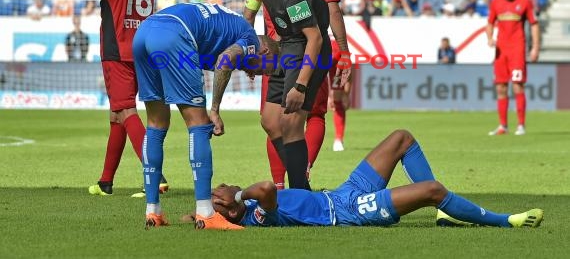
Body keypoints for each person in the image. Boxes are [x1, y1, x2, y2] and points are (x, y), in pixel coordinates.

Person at [21, 0, 181, 196]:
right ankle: (106, 181)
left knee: (127, 110)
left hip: (117, 50)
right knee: (116, 114)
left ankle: (155, 176)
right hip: (145, 48)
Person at [207, 129, 544, 229]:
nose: (224, 185)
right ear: (228, 205)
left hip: (341, 194)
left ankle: (443, 211)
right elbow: (266, 187)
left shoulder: (249, 206)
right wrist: (238, 200)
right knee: (432, 190)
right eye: (220, 189)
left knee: (402, 138)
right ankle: (504, 222)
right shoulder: (258, 213)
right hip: (349, 212)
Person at [132, 1, 277, 230]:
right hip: (175, 33)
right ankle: (206, 213)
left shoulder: (231, 27)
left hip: (144, 32)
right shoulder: (250, 38)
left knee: (156, 123)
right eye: (261, 70)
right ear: (265, 51)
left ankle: (153, 211)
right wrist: (215, 110)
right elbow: (225, 61)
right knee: (199, 124)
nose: (254, 75)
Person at [241, 0, 351, 189]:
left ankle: (289, 183)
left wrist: (252, 49)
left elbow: (247, 15)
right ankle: (300, 174)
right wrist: (344, 50)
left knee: (287, 120)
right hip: (290, 51)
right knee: (306, 117)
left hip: (289, 49)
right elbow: (333, 10)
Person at [486, 0, 540, 136]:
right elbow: (489, 23)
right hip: (500, 51)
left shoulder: (524, 1)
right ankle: (503, 125)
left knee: (517, 85)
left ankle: (521, 125)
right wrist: (490, 38)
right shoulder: (496, 2)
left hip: (517, 49)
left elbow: (534, 25)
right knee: (501, 87)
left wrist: (535, 47)